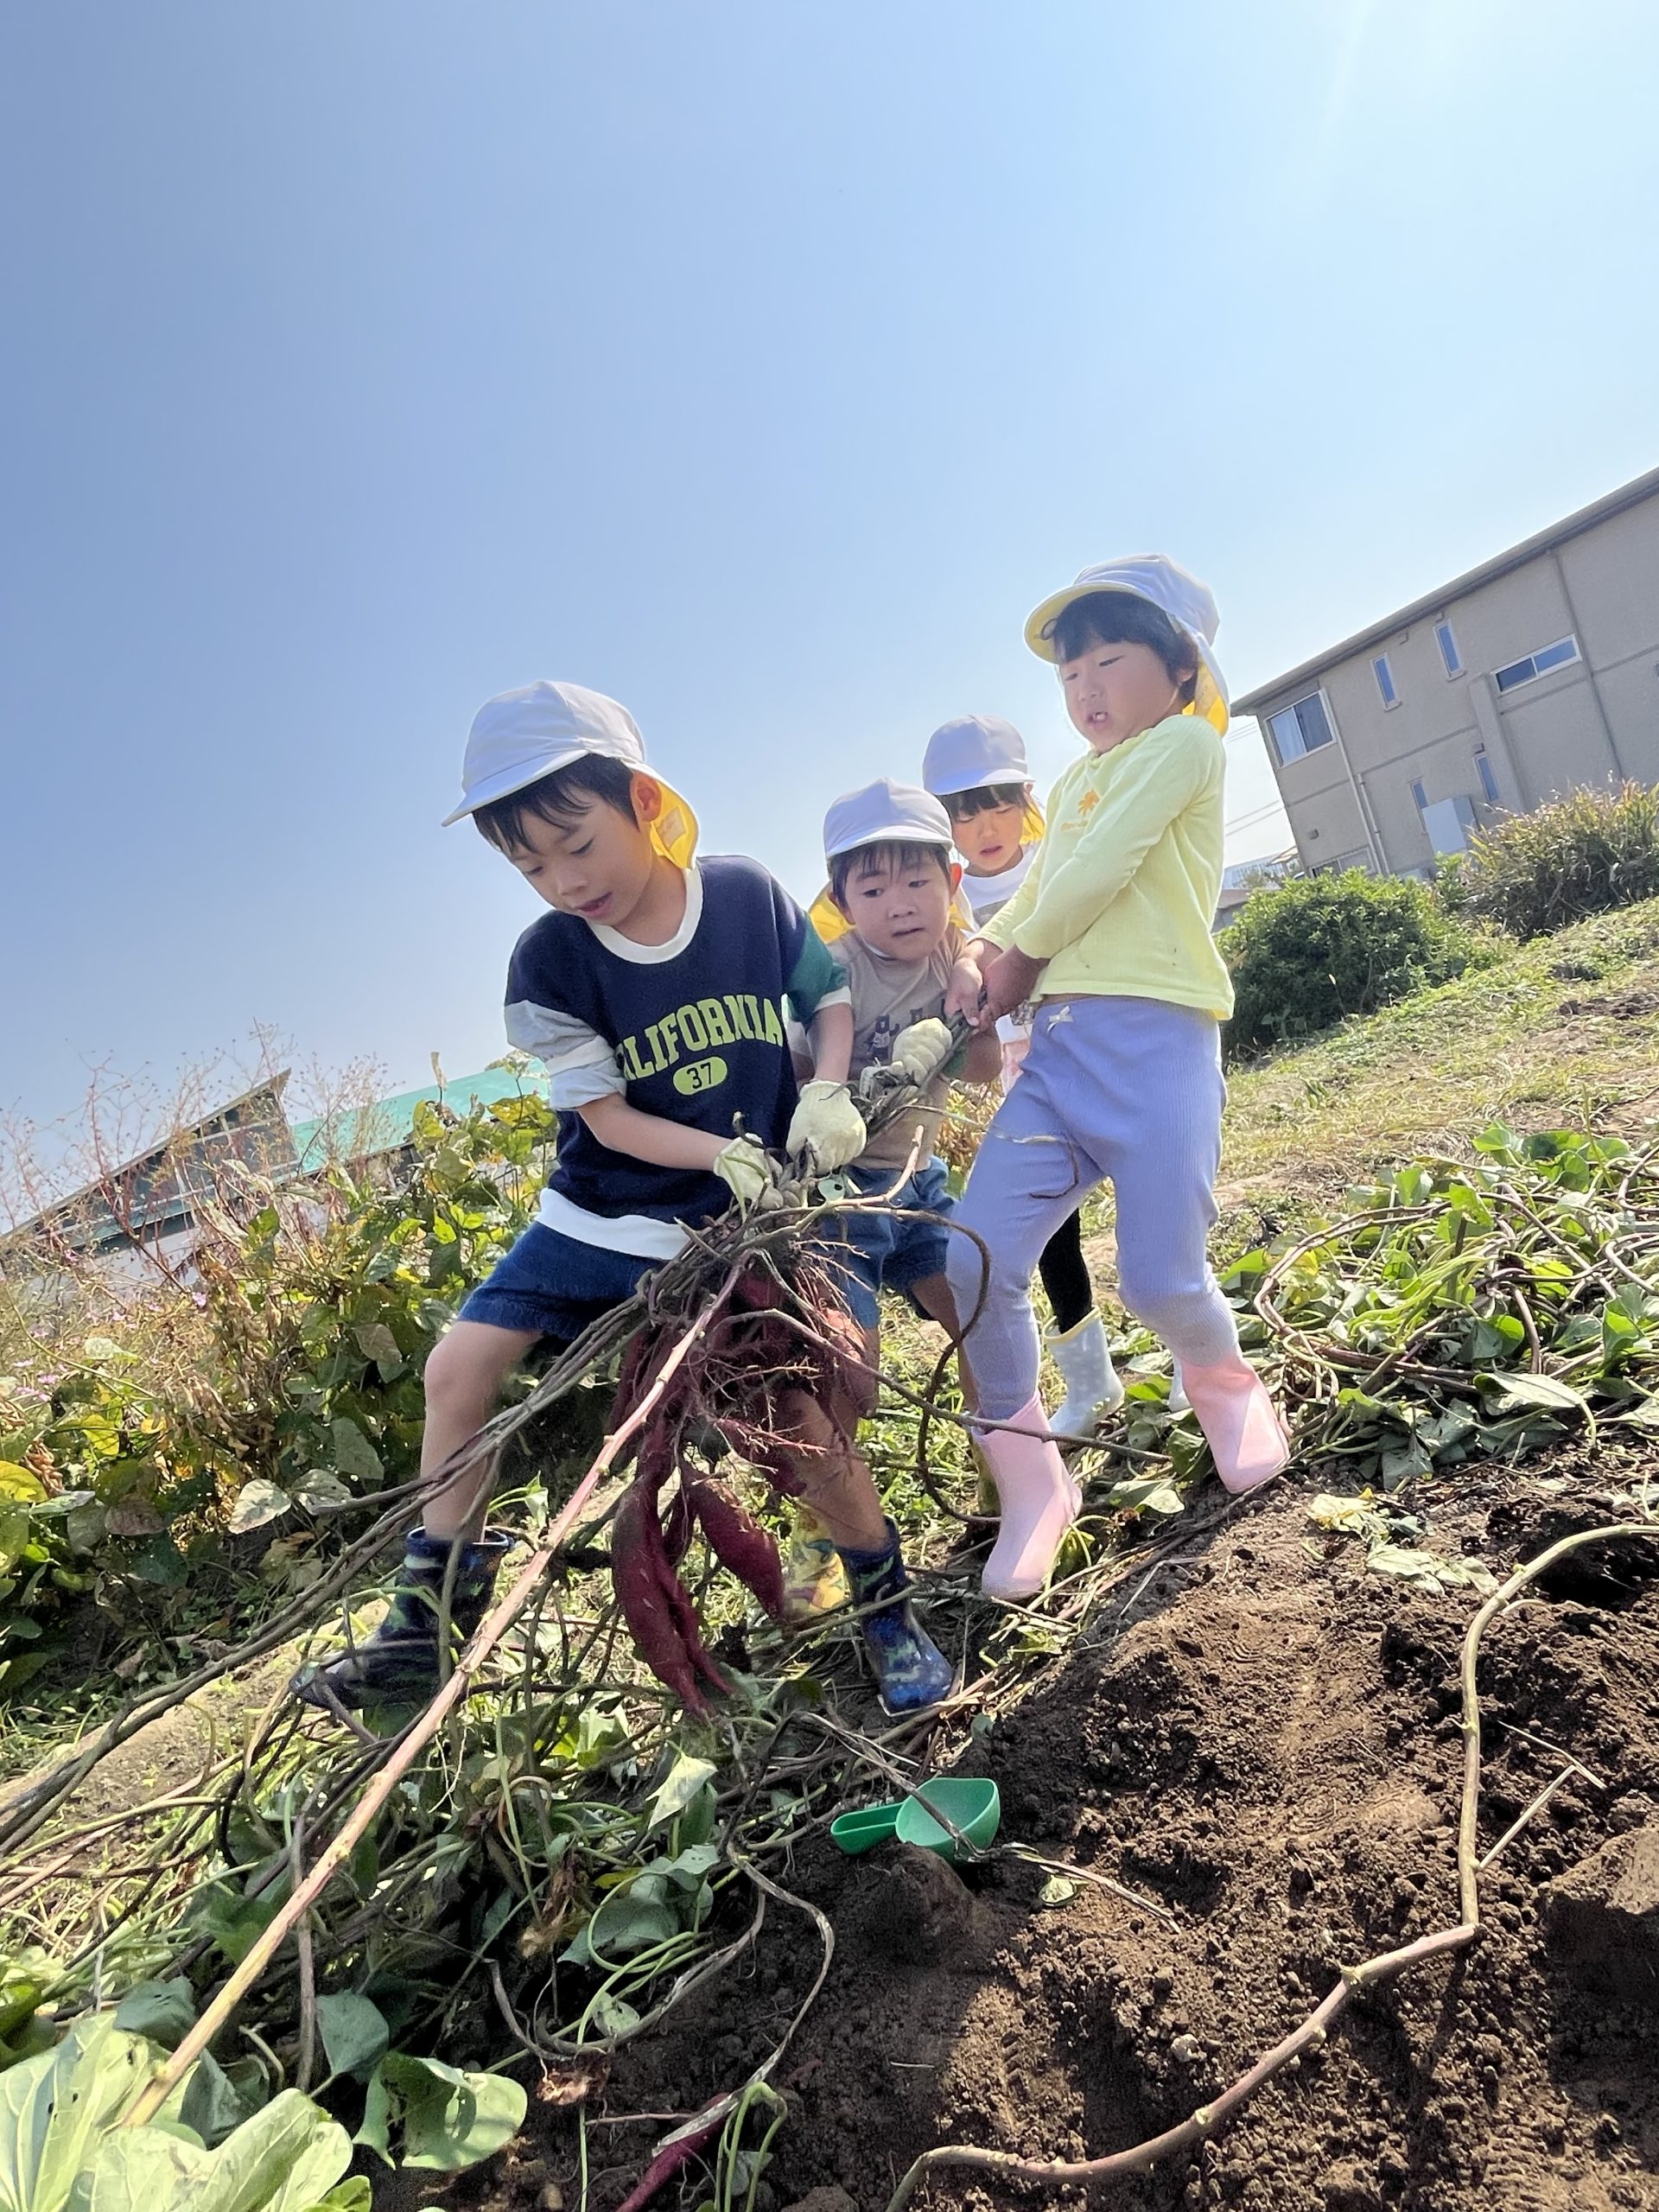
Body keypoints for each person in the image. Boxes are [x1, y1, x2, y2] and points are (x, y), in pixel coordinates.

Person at [298, 682, 954, 1716]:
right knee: (456, 1370)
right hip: (599, 1216)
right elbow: (604, 1120)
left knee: (796, 1421)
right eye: (529, 865)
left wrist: (825, 1086)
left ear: (644, 802)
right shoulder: (547, 963)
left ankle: (887, 1608)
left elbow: (824, 997)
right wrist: (721, 1150)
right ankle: (427, 1613)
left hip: (731, 1229)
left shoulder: (744, 898)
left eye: (577, 844)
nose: (562, 881)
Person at [943, 559, 1290, 1603]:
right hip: (1059, 1062)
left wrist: (1010, 962)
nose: (1084, 686)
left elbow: (1097, 877)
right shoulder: (1071, 784)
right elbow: (1043, 885)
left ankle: (1227, 1393)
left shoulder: (1186, 746)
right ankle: (1034, 1484)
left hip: (1159, 1049)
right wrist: (982, 952)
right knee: (974, 1265)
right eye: (1069, 672)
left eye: (1109, 658)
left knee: (1159, 1279)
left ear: (1182, 667)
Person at [922, 715, 1189, 1436]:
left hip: (1110, 1056)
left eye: (997, 801)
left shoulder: (1067, 851)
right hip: (1029, 1080)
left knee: (1155, 1210)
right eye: (962, 811)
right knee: (1054, 1237)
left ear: (1027, 796)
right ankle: (1092, 1382)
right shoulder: (947, 906)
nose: (983, 824)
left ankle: (1192, 1361)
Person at [776, 779, 1001, 1620]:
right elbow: (795, 1084)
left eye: (917, 883)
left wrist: (966, 1016)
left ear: (950, 880)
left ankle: (998, 1483)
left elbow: (980, 1074)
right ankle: (821, 1547)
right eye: (872, 889)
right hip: (838, 1208)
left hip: (921, 1181)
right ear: (842, 900)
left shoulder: (956, 954)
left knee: (978, 1312)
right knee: (847, 1384)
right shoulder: (834, 975)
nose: (899, 905)